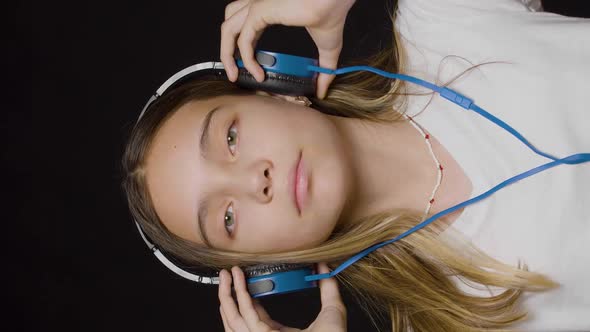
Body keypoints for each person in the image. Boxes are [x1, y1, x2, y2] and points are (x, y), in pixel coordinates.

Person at [121, 0, 590, 331]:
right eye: (227, 217)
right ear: (267, 268)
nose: (254, 180)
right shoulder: (455, 319)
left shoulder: (441, 17)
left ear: (277, 89)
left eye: (230, 137)